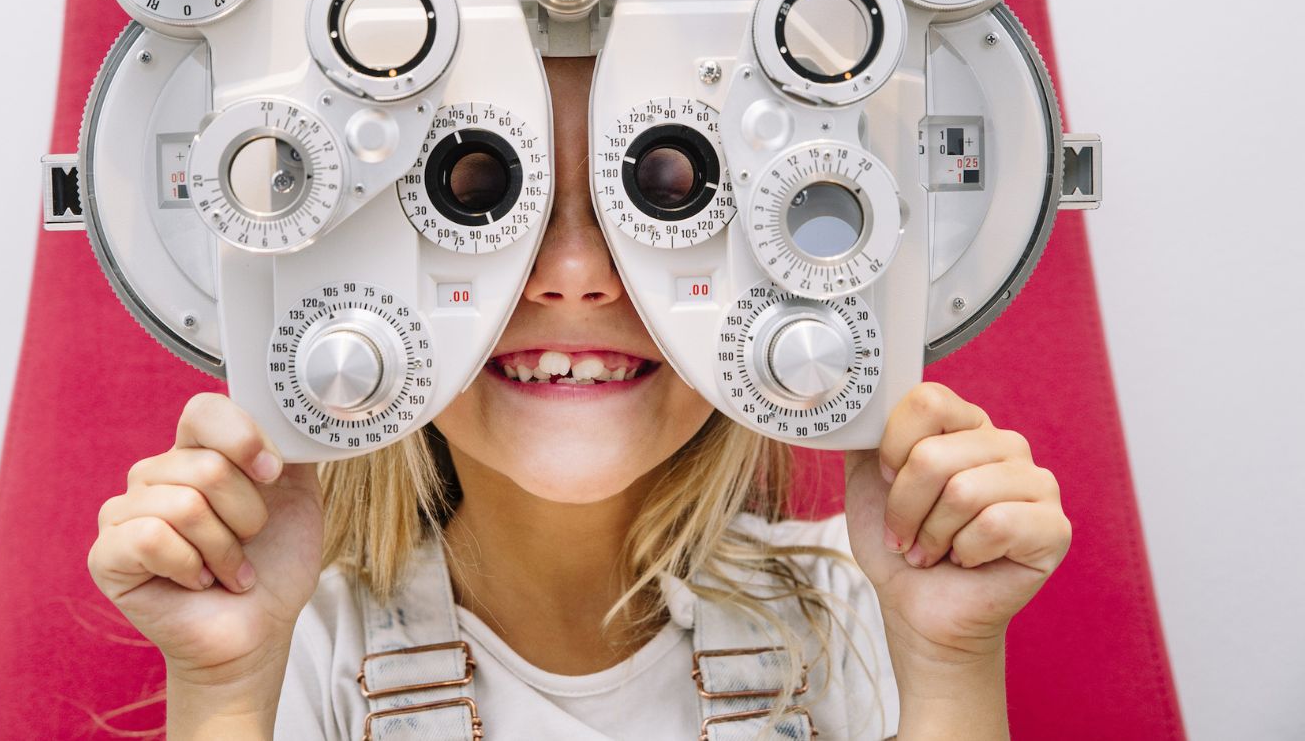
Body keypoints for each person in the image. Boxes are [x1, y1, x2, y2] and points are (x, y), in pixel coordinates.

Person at [88, 55, 1071, 740]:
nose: (572, 276)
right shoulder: (295, 642)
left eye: (661, 191)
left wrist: (947, 665)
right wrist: (223, 689)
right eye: (477, 192)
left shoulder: (862, 602)